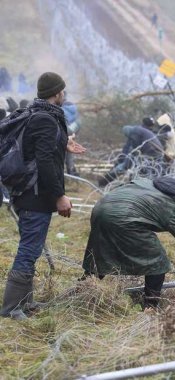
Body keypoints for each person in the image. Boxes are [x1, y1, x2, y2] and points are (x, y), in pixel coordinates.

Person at [0, 72, 86, 320]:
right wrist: (60, 196)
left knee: (32, 247)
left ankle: (24, 302)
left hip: (29, 193)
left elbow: (39, 149)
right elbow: (45, 162)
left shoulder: (37, 114)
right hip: (35, 195)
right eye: (63, 91)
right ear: (58, 93)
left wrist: (64, 143)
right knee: (28, 249)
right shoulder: (46, 120)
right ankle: (12, 308)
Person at [82, 174, 175, 309]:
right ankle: (151, 306)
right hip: (124, 219)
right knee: (158, 262)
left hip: (100, 209)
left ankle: (83, 289)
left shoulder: (148, 183)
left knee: (102, 251)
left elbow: (125, 188)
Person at [98, 118, 164, 186]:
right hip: (157, 153)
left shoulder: (135, 132)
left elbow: (134, 149)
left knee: (125, 167)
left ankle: (104, 182)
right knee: (141, 168)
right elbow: (131, 149)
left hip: (151, 152)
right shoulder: (142, 131)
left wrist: (123, 163)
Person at [62, 94, 81, 176]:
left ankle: (62, 172)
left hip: (64, 131)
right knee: (70, 152)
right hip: (72, 131)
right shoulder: (74, 109)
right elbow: (79, 123)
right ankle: (71, 171)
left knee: (62, 153)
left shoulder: (60, 108)